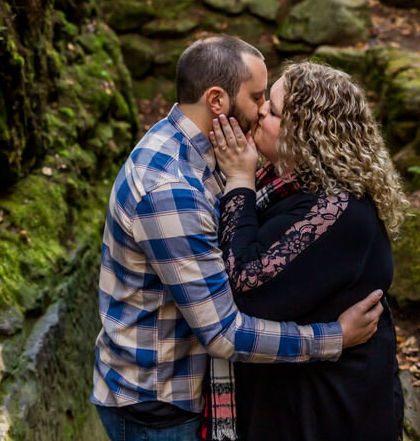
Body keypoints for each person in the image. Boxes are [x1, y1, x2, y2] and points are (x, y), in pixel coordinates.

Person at [91, 36, 387, 441]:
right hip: (159, 406)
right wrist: (334, 337)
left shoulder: (204, 152)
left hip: (182, 392)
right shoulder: (170, 189)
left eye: (270, 102)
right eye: (257, 97)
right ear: (217, 101)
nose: (261, 109)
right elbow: (224, 332)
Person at [209, 60, 408, 441]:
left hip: (328, 412)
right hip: (293, 395)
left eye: (274, 110)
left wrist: (239, 180)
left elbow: (243, 290)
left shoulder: (340, 210)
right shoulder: (291, 183)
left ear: (305, 135)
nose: (260, 110)